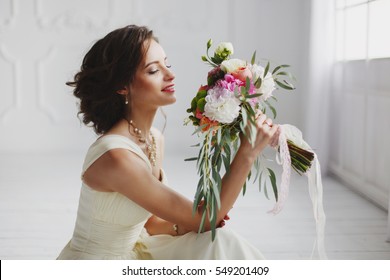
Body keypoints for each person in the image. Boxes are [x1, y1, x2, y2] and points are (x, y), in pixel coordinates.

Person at [57, 25, 279, 260]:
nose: (170, 75)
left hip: (135, 250)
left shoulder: (154, 138)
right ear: (122, 87)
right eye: (153, 70)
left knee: (218, 241)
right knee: (215, 240)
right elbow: (207, 217)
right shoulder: (117, 158)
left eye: (167, 64)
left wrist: (183, 226)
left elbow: (148, 220)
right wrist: (248, 151)